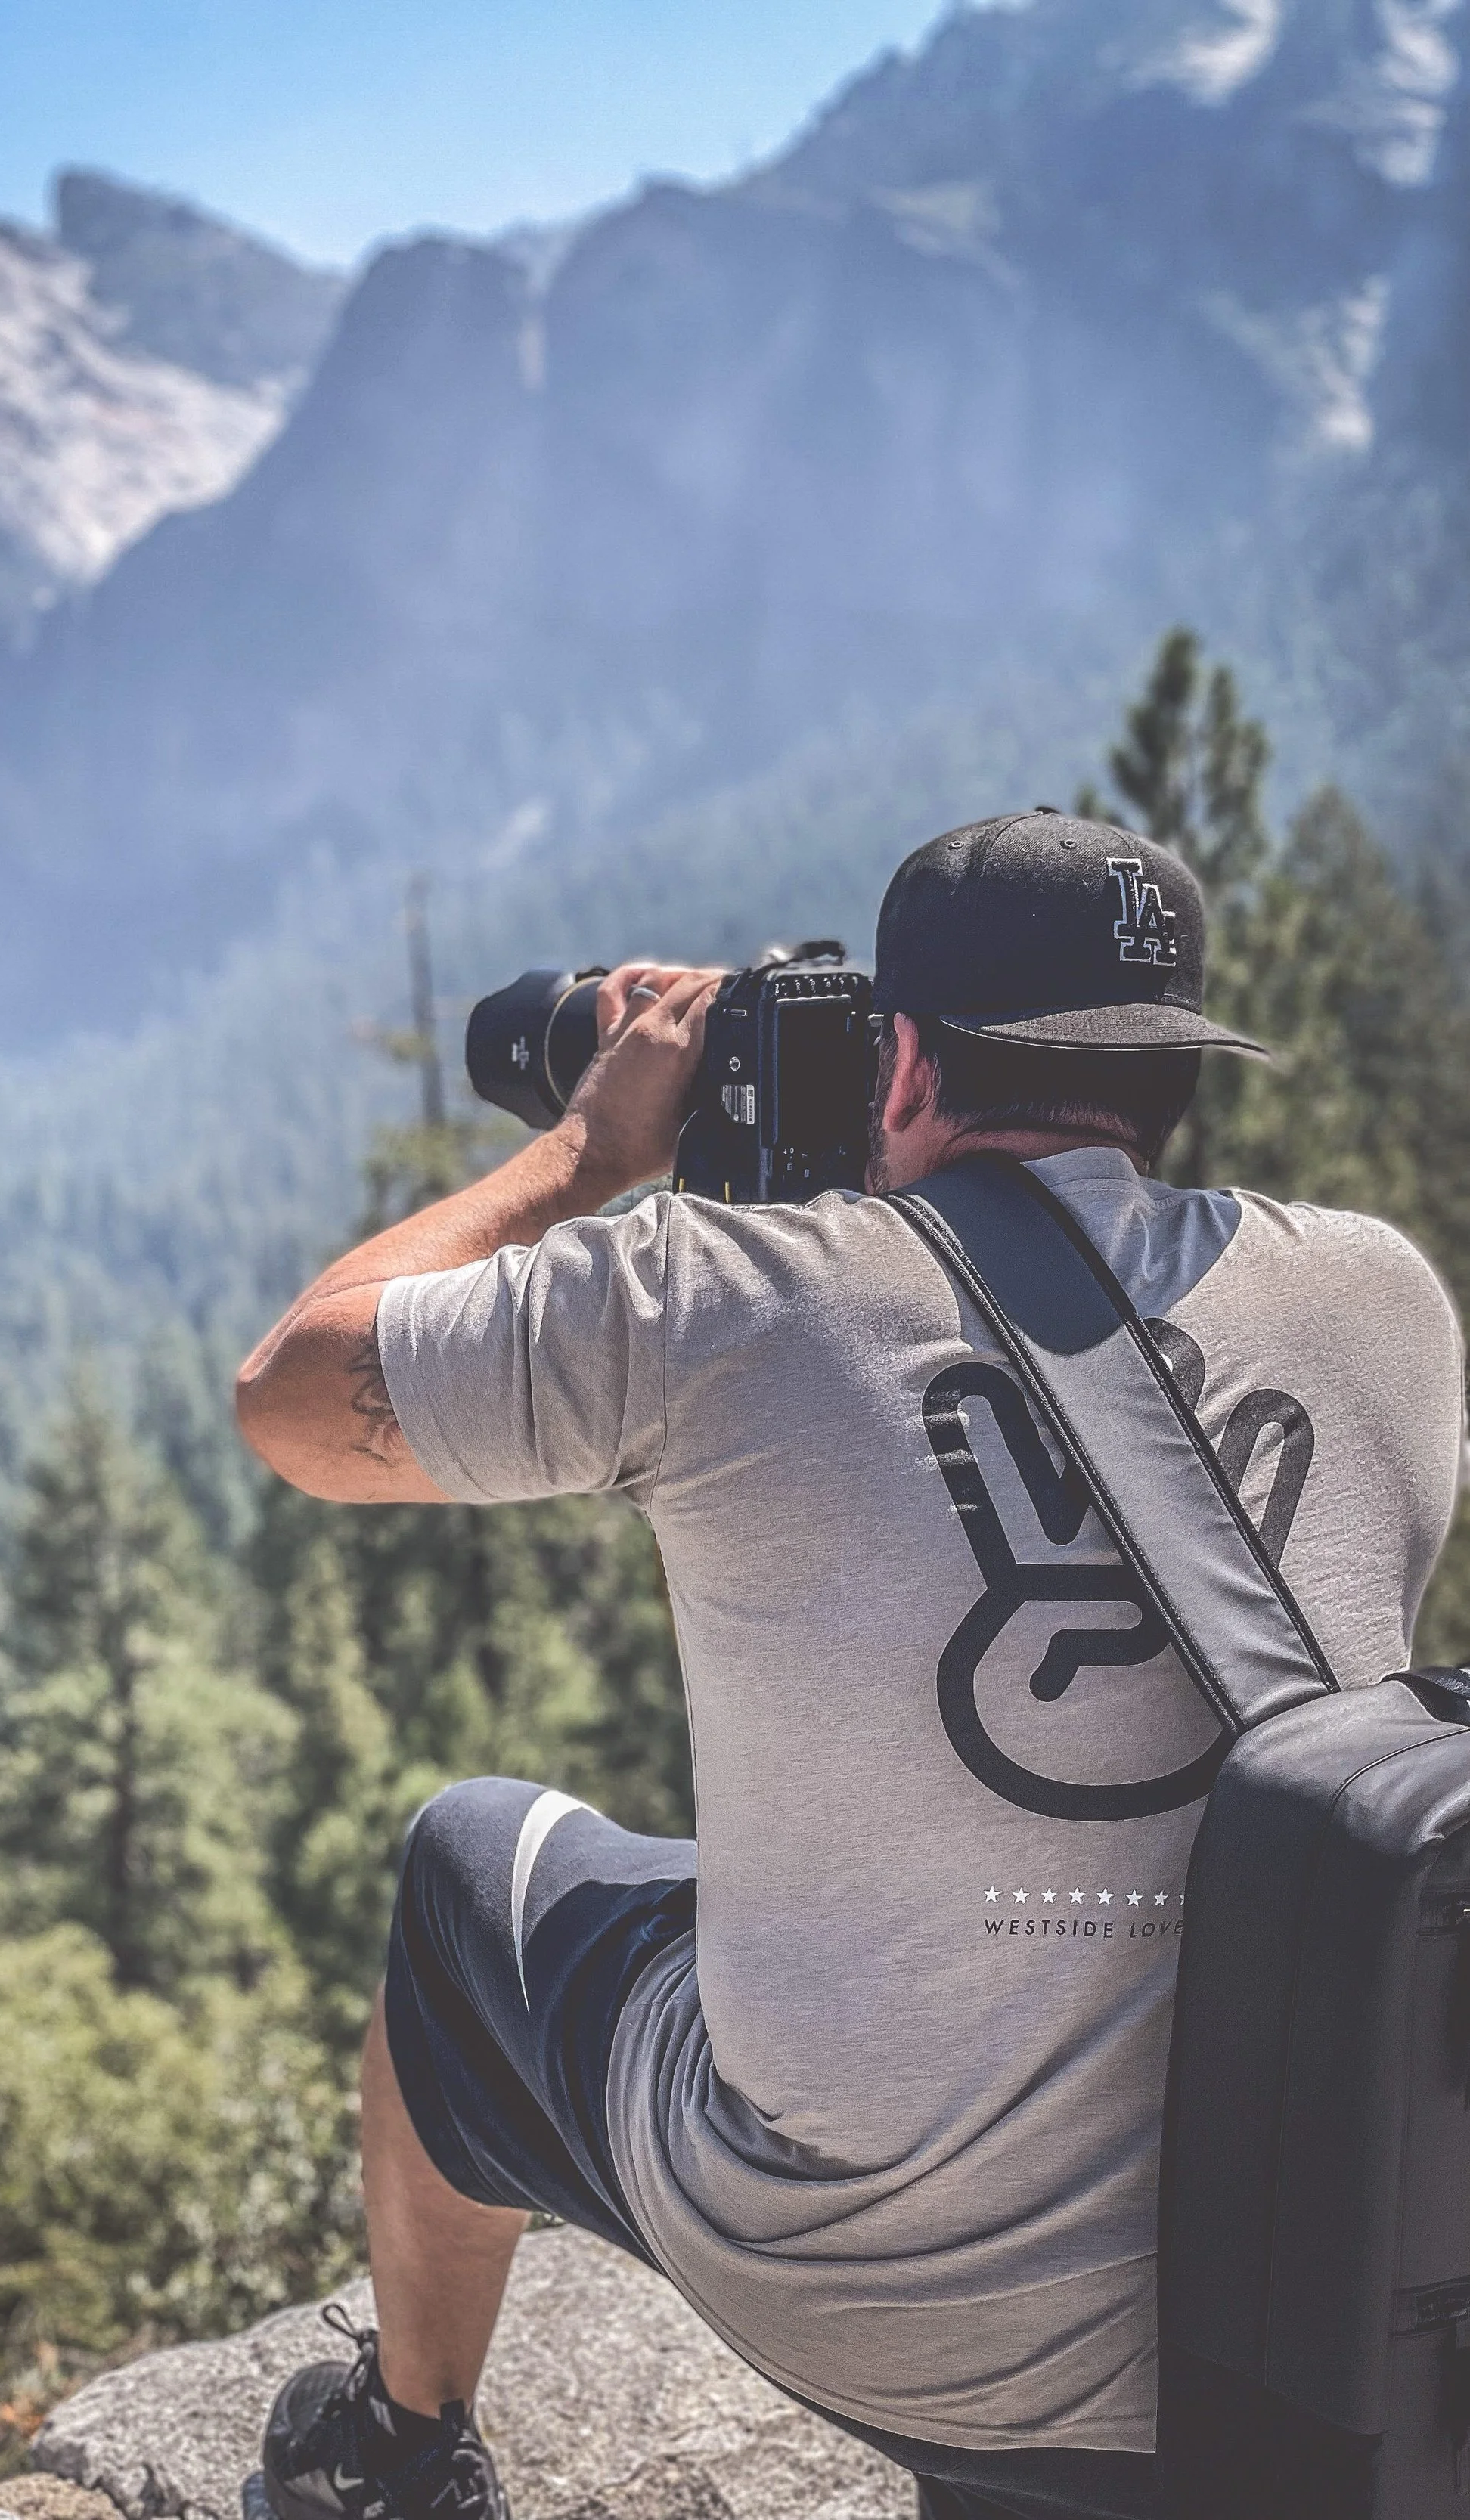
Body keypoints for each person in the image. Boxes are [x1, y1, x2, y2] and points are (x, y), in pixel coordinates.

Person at [234, 812, 1465, 2520]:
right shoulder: (1384, 1302)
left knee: (465, 1867)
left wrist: (589, 1148)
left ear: (896, 1064)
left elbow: (293, 1393)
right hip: (1300, 2283)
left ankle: (393, 2450)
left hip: (897, 2307)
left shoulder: (716, 1298)